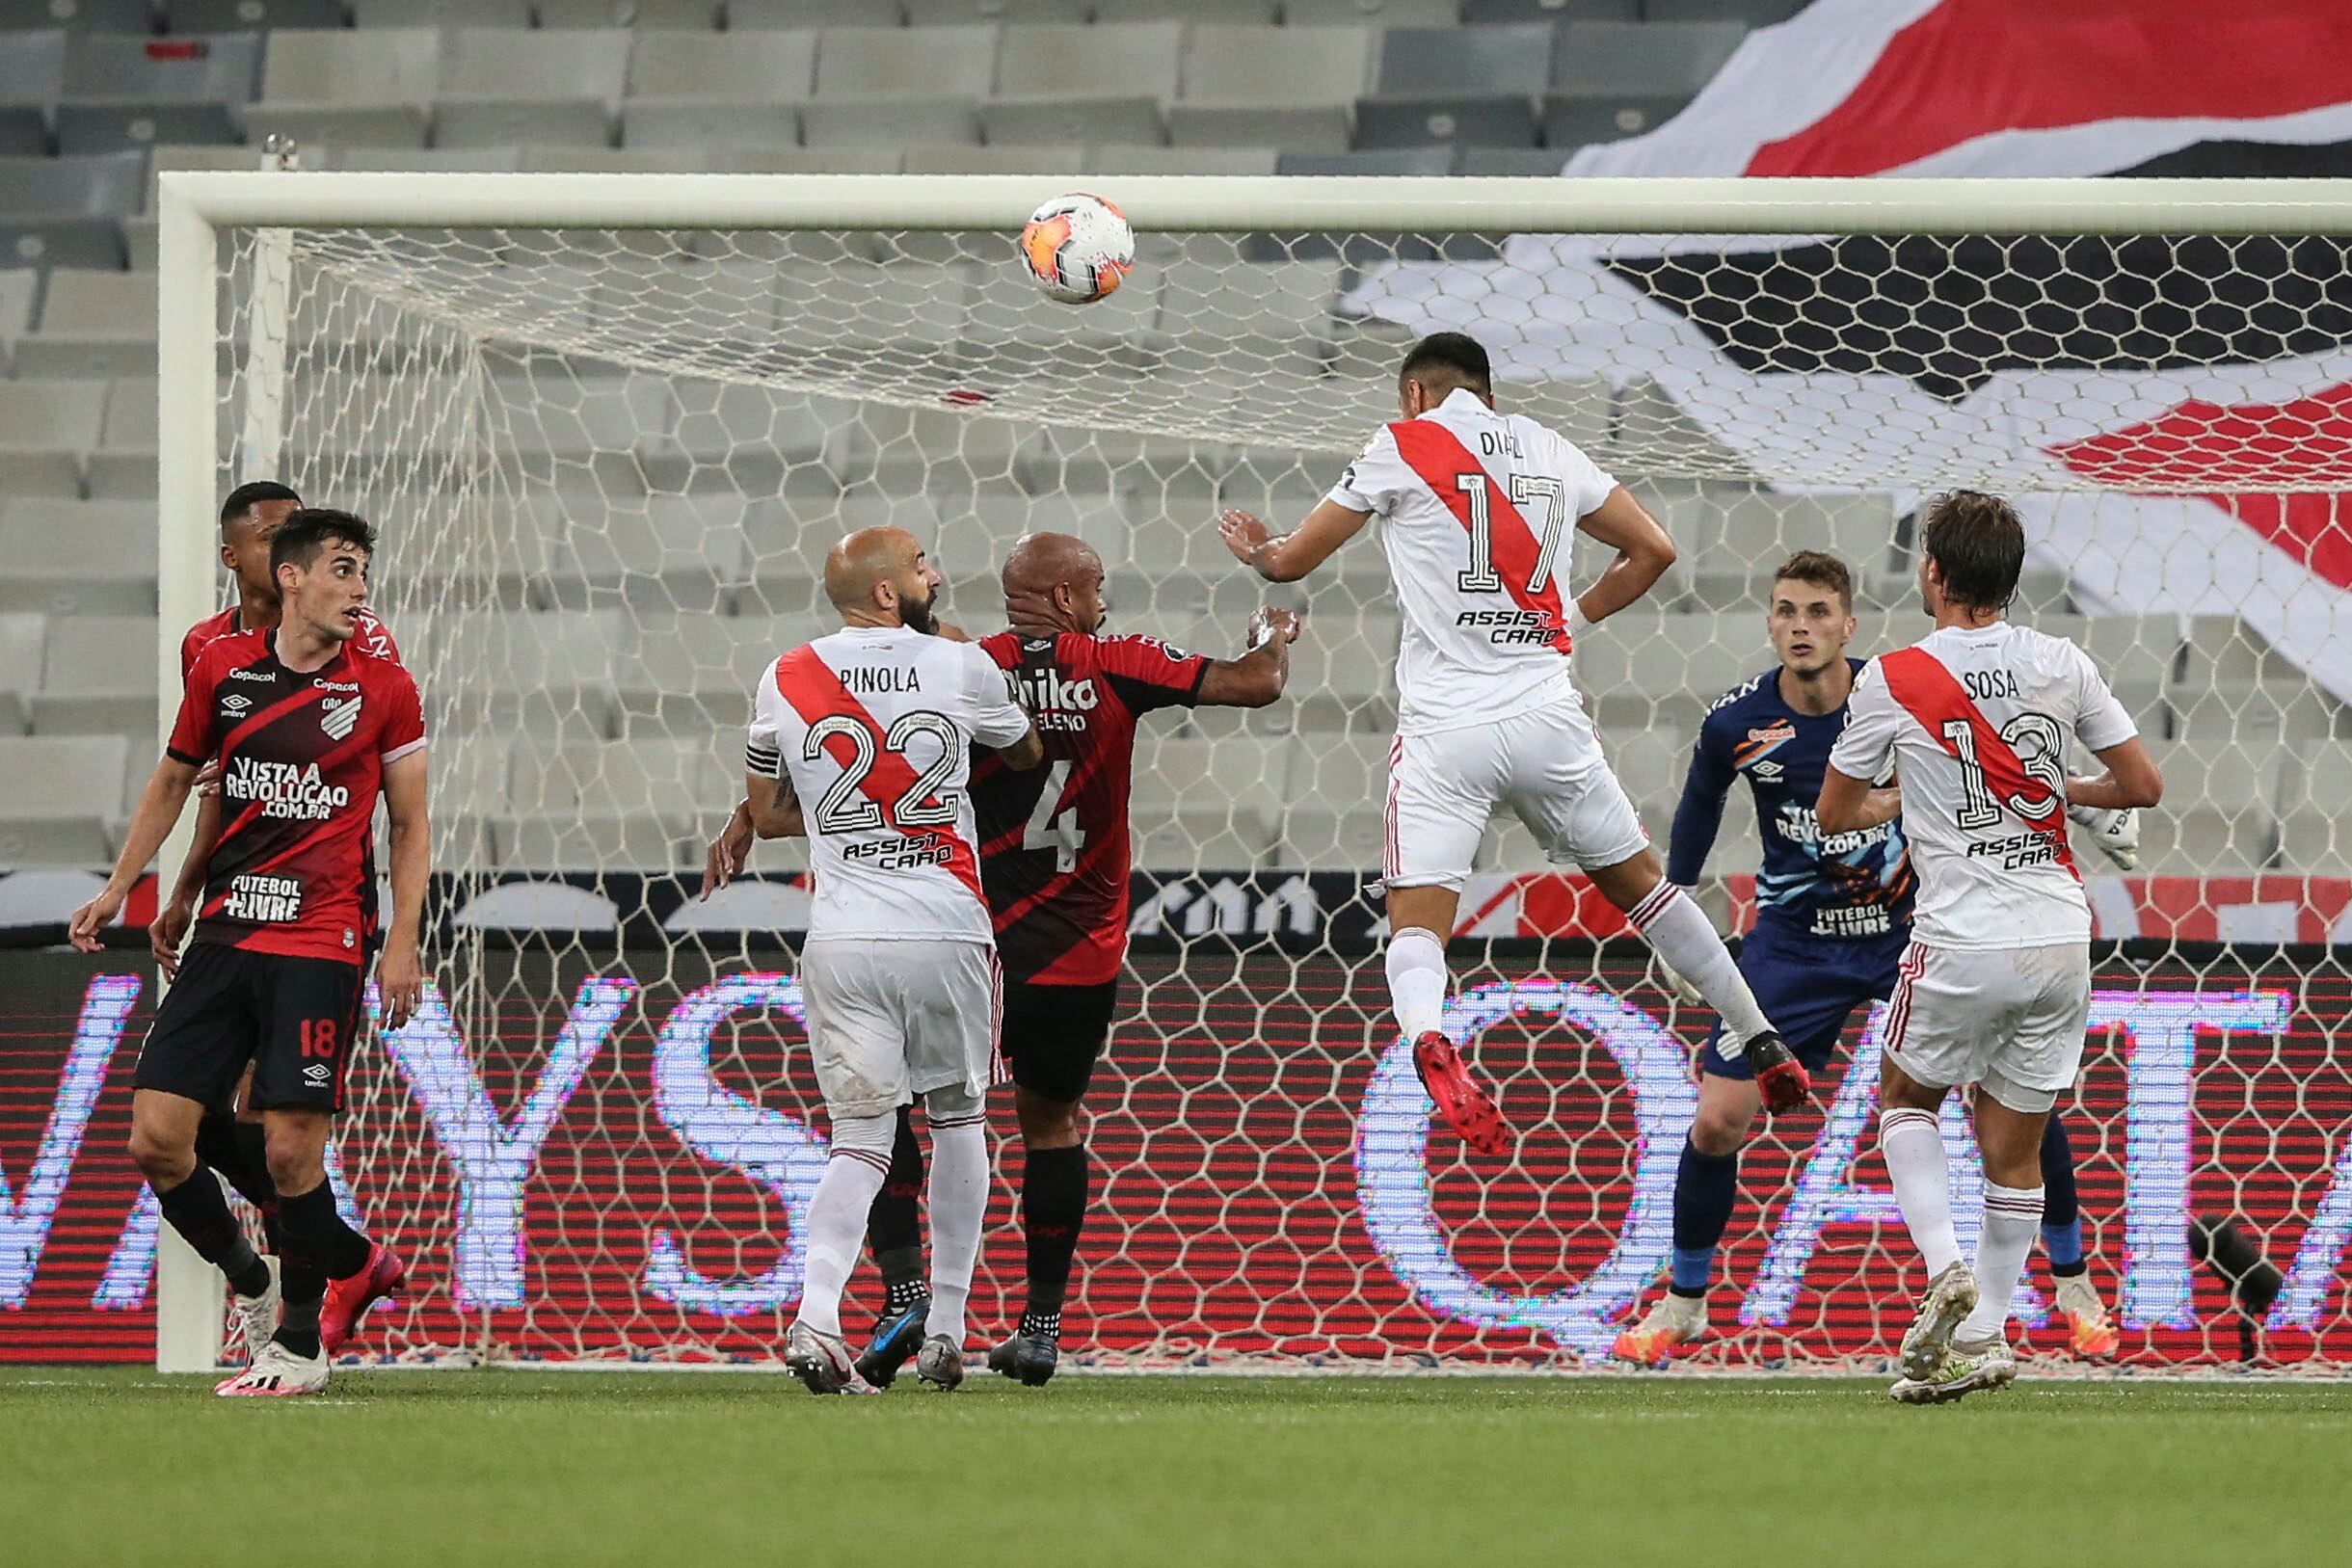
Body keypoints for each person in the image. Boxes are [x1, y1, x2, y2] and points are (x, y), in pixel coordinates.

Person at [709, 531, 1299, 1389]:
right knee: (1039, 1125)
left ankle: (898, 1288)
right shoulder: (1105, 660)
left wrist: (746, 810)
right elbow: (1257, 684)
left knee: (882, 1121)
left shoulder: (959, 659)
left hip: (951, 926)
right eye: (1096, 587)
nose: (1105, 601)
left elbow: (846, 760)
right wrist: (1272, 633)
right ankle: (1035, 1325)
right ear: (1065, 600)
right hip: (1053, 945)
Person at [1216, 331, 1804, 1156]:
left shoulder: (1403, 443)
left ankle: (1429, 1035)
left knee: (1418, 923)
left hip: (1445, 729)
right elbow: (1655, 550)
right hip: (1545, 717)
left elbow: (1291, 563)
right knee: (1643, 886)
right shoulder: (1552, 446)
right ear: (1487, 394)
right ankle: (1758, 1031)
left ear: (1416, 394)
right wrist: (1573, 618)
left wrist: (1258, 549)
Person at [1613, 551, 2126, 1366]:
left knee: (2015, 1109)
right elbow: (1700, 805)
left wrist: (2084, 808)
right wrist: (1675, 912)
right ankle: (1684, 1301)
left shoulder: (1899, 690)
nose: (1800, 627)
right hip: (1795, 941)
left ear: (1848, 625)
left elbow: (1999, 770)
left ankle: (2074, 1287)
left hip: (1914, 928)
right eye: (1786, 611)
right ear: (1771, 623)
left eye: (1818, 612)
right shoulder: (1737, 723)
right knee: (1716, 1121)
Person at [69, 509, 428, 1396]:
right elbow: (178, 781)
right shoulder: (222, 671)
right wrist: (132, 884)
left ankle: (300, 1346)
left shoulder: (385, 687)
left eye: (364, 572)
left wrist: (404, 941)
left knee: (287, 1151)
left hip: (320, 937)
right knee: (157, 1139)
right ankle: (262, 1277)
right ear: (291, 576)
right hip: (227, 931)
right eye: (343, 570)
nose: (360, 587)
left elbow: (412, 823)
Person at [1817, 490, 2162, 1404]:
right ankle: (1988, 1334)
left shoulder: (1894, 676)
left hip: (1962, 936)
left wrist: (1904, 799)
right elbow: (2142, 785)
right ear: (2009, 580)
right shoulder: (2063, 660)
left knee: (1904, 1098)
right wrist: (2062, 794)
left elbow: (1835, 814)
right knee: (2016, 1148)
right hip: (2060, 933)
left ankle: (1944, 1269)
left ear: (1933, 574)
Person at [739, 526, 1043, 1395]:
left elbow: (765, 812)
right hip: (946, 928)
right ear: (884, 592)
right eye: (920, 566)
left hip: (841, 936)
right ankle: (945, 1328)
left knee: (861, 1140)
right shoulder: (957, 664)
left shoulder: (783, 674)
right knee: (957, 1120)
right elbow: (1022, 750)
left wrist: (854, 819)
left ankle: (815, 1318)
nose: (936, 574)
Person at [153, 481, 409, 1366]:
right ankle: (336, 1257)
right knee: (190, 1126)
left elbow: (383, 791)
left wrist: (392, 935)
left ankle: (300, 1321)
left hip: (326, 914)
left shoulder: (367, 648)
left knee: (283, 1128)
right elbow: (213, 785)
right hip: (230, 904)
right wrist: (180, 889)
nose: (286, 545)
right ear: (250, 559)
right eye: (272, 535)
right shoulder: (210, 651)